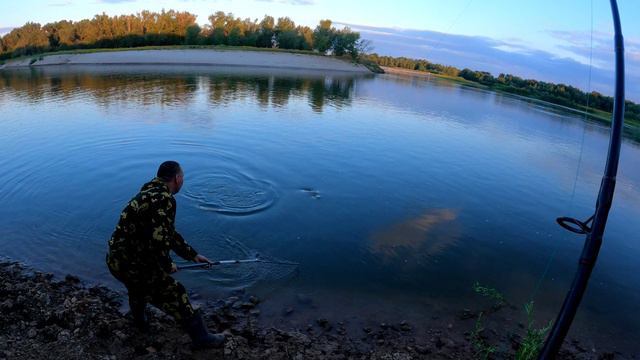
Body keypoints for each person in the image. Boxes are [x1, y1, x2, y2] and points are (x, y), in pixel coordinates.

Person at [106, 160, 225, 349]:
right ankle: (202, 339)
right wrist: (166, 265)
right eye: (183, 177)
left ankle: (140, 322)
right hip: (134, 264)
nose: (183, 181)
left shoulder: (147, 193)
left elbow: (166, 232)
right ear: (177, 179)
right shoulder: (165, 199)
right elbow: (158, 240)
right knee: (176, 293)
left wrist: (192, 255)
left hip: (115, 261)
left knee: (137, 288)